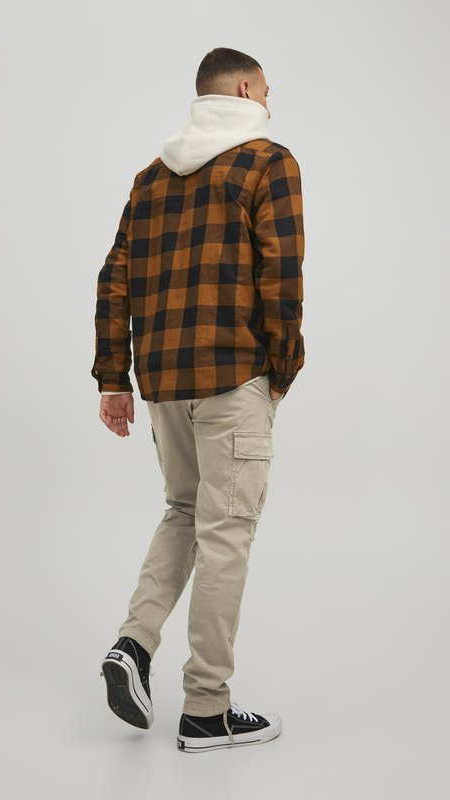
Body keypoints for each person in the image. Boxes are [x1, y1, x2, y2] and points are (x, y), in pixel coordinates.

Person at [93, 47, 305, 753]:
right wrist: (282, 368)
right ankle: (207, 711)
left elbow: (113, 279)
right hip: (233, 376)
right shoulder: (268, 163)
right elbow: (283, 274)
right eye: (266, 90)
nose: (270, 102)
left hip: (163, 383)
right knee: (225, 533)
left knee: (184, 511)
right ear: (243, 89)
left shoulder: (151, 177)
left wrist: (114, 378)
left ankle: (132, 644)